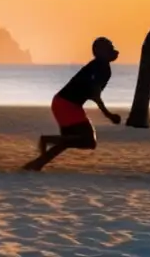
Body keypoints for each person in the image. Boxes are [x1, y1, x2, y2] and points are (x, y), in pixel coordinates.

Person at [23, 37, 121, 171]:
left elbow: (91, 92)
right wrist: (108, 115)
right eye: (109, 48)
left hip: (61, 102)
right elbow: (94, 94)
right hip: (67, 105)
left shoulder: (99, 66)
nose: (113, 50)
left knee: (67, 141)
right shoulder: (101, 68)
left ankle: (37, 163)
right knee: (88, 141)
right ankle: (43, 148)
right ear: (100, 52)